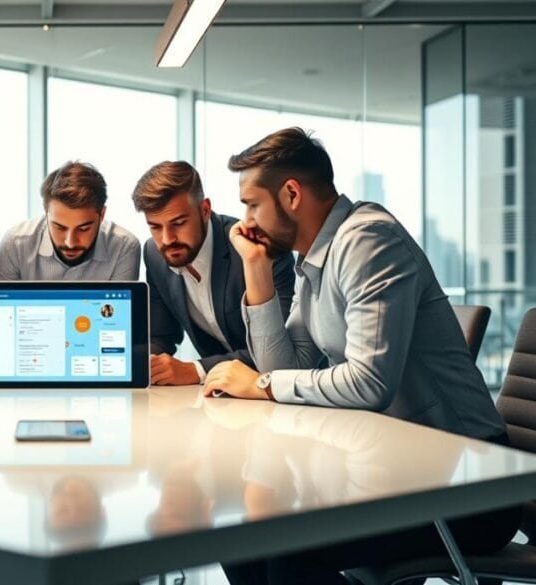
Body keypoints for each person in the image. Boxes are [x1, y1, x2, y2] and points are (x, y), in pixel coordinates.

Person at [202, 127, 518, 585]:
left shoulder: (369, 241)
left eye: (252, 203)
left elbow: (369, 382)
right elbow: (286, 366)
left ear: (291, 193)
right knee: (241, 531)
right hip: (398, 469)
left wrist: (263, 387)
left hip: (469, 487)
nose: (244, 221)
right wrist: (255, 266)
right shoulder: (312, 260)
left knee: (282, 546)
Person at [131, 161, 295, 386]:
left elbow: (283, 349)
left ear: (205, 210)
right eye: (155, 227)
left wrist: (196, 370)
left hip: (287, 394)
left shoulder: (258, 248)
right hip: (221, 397)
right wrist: (144, 362)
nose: (167, 239)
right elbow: (161, 335)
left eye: (178, 223)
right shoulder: (153, 253)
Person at [0, 161, 139, 281]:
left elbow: (119, 315)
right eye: (59, 227)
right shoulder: (15, 244)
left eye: (83, 229)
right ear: (46, 213)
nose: (70, 242)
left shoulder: (124, 247)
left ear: (102, 215)